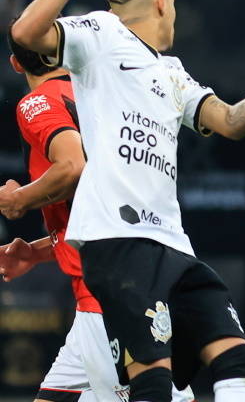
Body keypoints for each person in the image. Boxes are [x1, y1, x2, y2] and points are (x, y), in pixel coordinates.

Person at [10, 0, 245, 402]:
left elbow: (229, 121)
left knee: (235, 357)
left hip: (171, 241)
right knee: (152, 383)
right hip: (118, 240)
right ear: (164, 0)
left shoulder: (172, 71)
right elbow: (26, 32)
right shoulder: (102, 34)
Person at [0, 31, 193, 402]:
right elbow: (104, 202)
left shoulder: (38, 102)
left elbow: (73, 167)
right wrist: (40, 251)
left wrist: (18, 200)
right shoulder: (103, 98)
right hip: (136, 277)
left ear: (16, 63)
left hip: (106, 298)